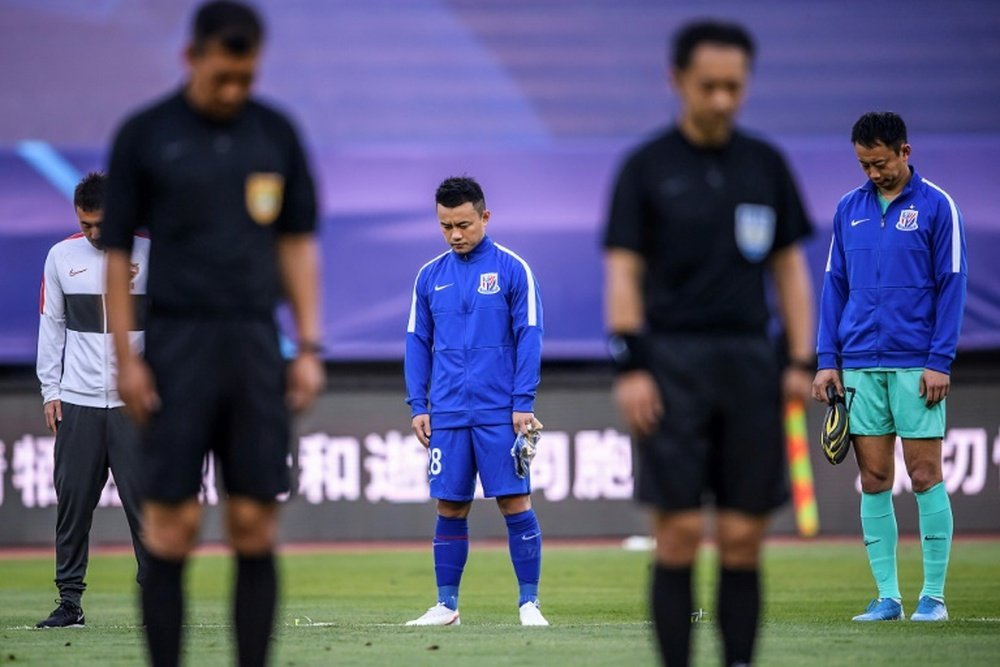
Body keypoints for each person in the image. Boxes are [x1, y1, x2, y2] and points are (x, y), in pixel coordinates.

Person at [101, 2, 324, 665]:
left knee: (254, 522)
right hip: (176, 345)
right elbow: (115, 254)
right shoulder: (146, 134)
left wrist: (308, 345)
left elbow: (298, 244)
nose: (233, 91)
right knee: (173, 525)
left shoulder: (276, 132)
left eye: (245, 78)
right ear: (190, 57)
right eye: (222, 76)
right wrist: (127, 359)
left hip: (255, 344)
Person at [603, 20, 815, 667]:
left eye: (734, 86)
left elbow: (788, 270)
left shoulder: (765, 163)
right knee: (678, 533)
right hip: (671, 364)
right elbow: (623, 272)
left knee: (744, 536)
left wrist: (802, 360)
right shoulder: (645, 167)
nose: (722, 99)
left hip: (752, 362)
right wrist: (633, 364)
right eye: (708, 86)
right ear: (677, 81)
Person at [813, 111, 967, 623]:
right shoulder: (846, 209)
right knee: (874, 477)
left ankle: (934, 597)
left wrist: (939, 360)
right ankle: (887, 597)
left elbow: (953, 284)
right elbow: (835, 284)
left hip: (915, 365)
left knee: (925, 475)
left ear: (905, 151)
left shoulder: (937, 206)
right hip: (858, 364)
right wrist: (826, 360)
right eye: (864, 165)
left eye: (880, 163)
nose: (873, 173)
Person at [404, 176, 547, 627]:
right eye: (446, 226)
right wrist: (418, 405)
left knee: (514, 502)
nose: (455, 235)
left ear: (485, 217)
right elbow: (416, 342)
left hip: (500, 413)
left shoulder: (512, 269)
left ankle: (529, 603)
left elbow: (530, 337)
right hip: (447, 413)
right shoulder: (429, 276)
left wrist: (522, 401)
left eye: (463, 224)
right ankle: (446, 606)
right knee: (450, 506)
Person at [35, 172, 151, 628]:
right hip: (78, 402)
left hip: (134, 405)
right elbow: (52, 326)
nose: (94, 233)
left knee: (146, 506)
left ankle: (155, 599)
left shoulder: (150, 255)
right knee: (73, 505)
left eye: (101, 223)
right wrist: (51, 390)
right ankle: (69, 602)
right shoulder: (61, 256)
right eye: (85, 225)